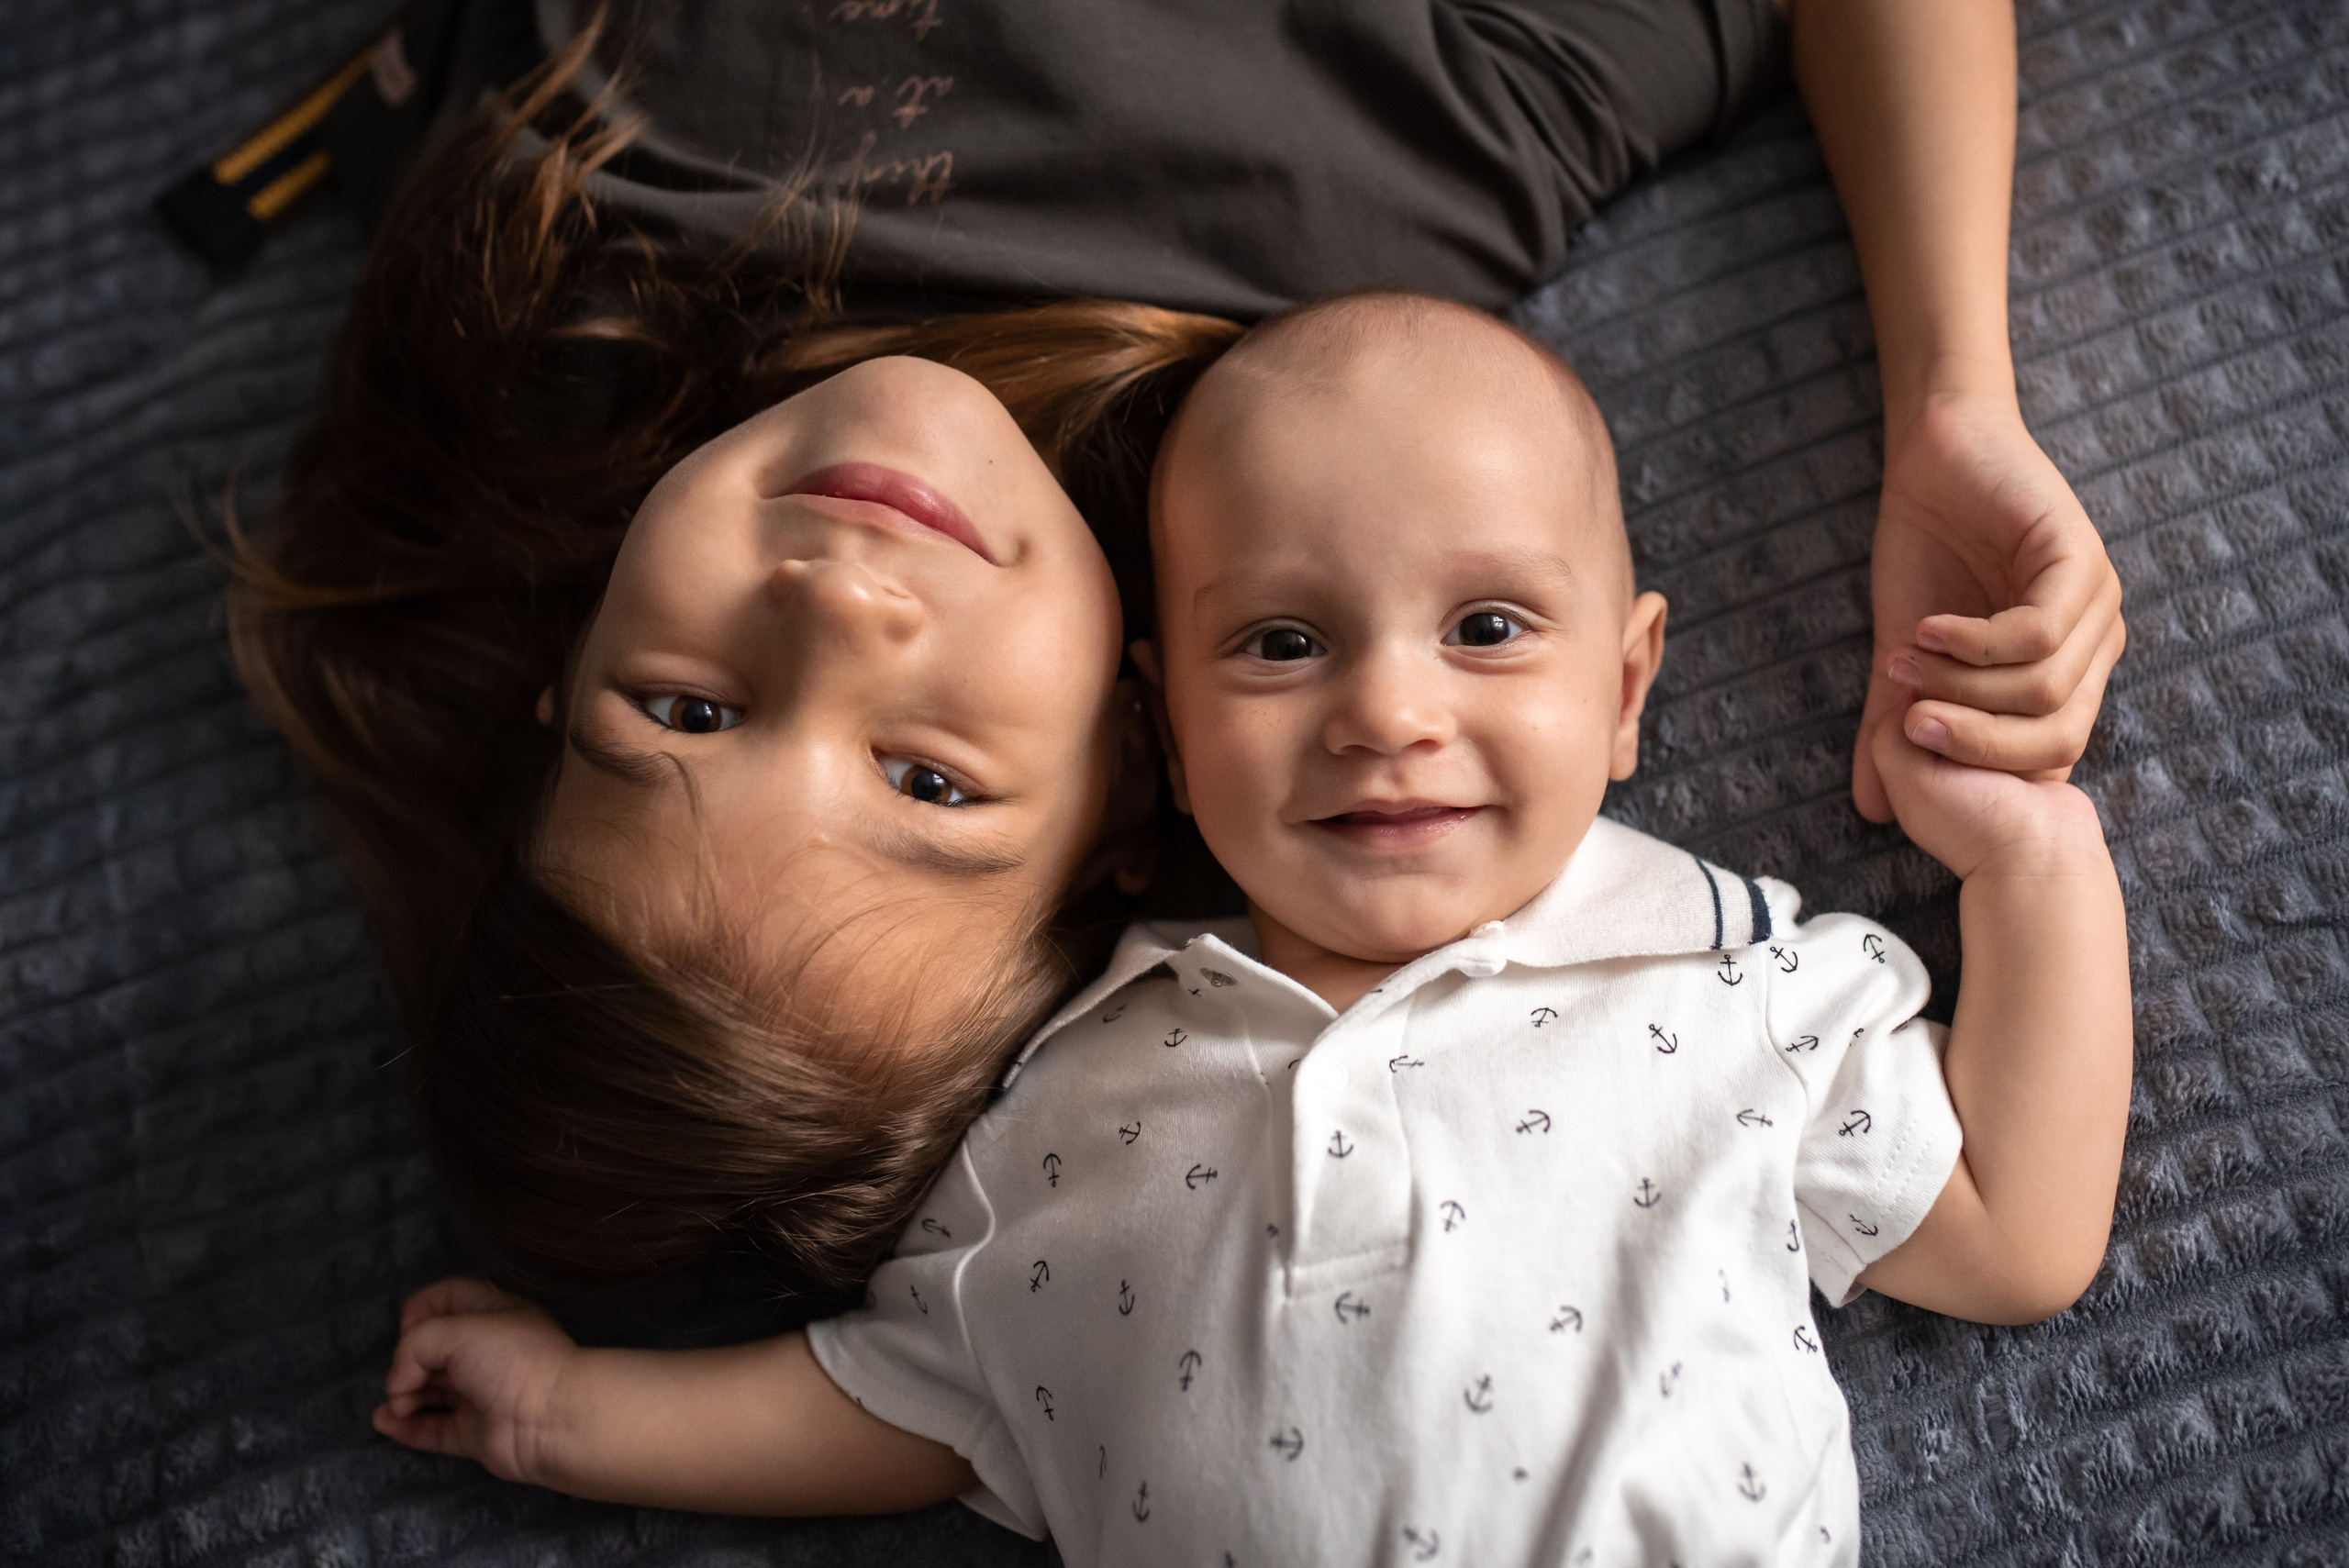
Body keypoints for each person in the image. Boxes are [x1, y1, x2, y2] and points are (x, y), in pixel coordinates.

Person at [232, 0, 2123, 1316]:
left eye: (690, 708)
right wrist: (1948, 395)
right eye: (929, 781)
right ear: (1137, 777)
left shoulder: (534, 324)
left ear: (558, 677)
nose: (843, 606)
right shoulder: (1366, 204)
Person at [363, 295, 2132, 1564]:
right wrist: (568, 1418)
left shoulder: (1723, 992)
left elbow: (2011, 1232)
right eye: (1281, 646)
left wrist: (2038, 864)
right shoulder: (1043, 1129)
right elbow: (898, 1408)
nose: (1389, 710)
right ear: (1160, 736)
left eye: (1492, 628)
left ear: (1628, 691)